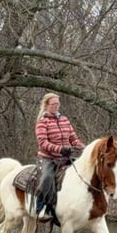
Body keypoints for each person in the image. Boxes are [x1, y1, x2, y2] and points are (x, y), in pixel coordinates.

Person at [34, 93, 85, 222]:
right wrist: (60, 149)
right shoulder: (42, 122)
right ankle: (40, 210)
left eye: (58, 104)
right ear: (46, 105)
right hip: (48, 158)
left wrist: (85, 147)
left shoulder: (65, 120)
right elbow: (43, 143)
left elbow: (73, 138)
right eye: (53, 104)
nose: (56, 106)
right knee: (46, 178)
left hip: (65, 158)